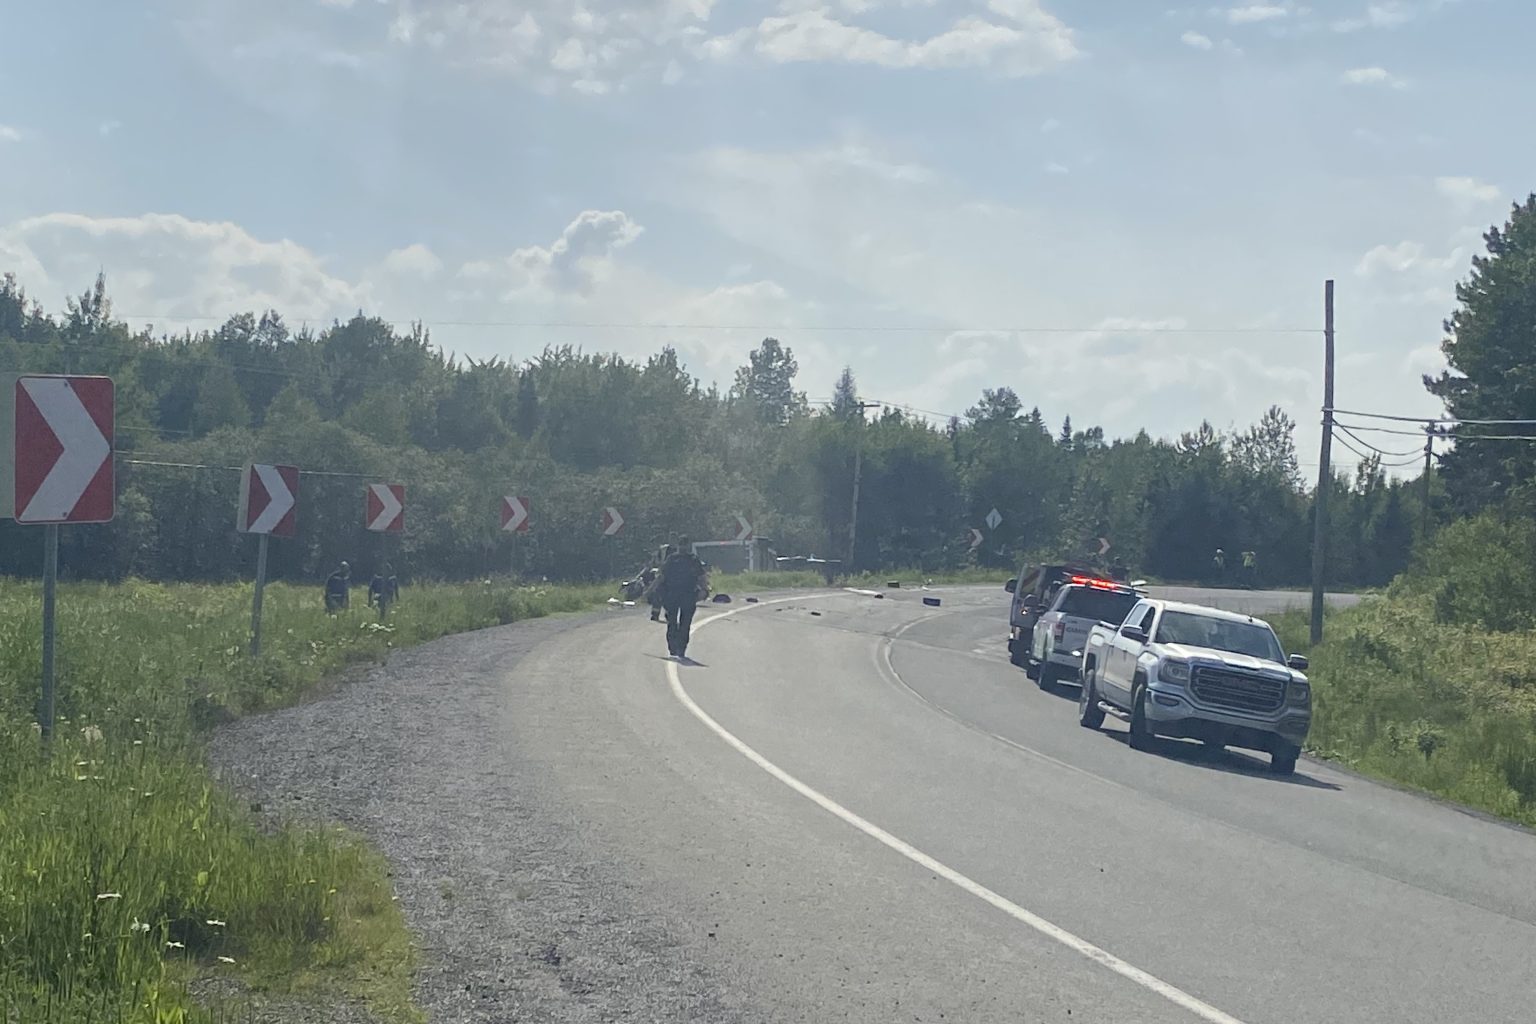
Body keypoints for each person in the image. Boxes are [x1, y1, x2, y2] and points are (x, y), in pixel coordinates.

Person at [654, 536, 707, 659]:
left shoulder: (672, 559)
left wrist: (652, 590)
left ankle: (675, 647)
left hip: (675, 595)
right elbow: (702, 577)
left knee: (674, 622)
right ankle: (679, 648)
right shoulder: (691, 559)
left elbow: (661, 576)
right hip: (684, 595)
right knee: (682, 623)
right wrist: (704, 590)